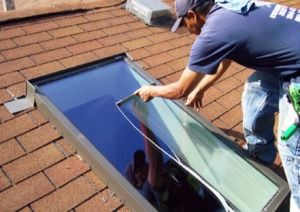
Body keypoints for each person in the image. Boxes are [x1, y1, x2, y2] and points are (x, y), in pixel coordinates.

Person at [134, 0, 300, 210]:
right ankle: (261, 155)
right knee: (256, 89)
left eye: (185, 23)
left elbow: (179, 90)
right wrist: (201, 88)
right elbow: (226, 58)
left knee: (292, 148)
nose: (188, 30)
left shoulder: (213, 32)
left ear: (193, 15)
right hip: (291, 58)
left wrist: (150, 90)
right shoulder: (226, 9)